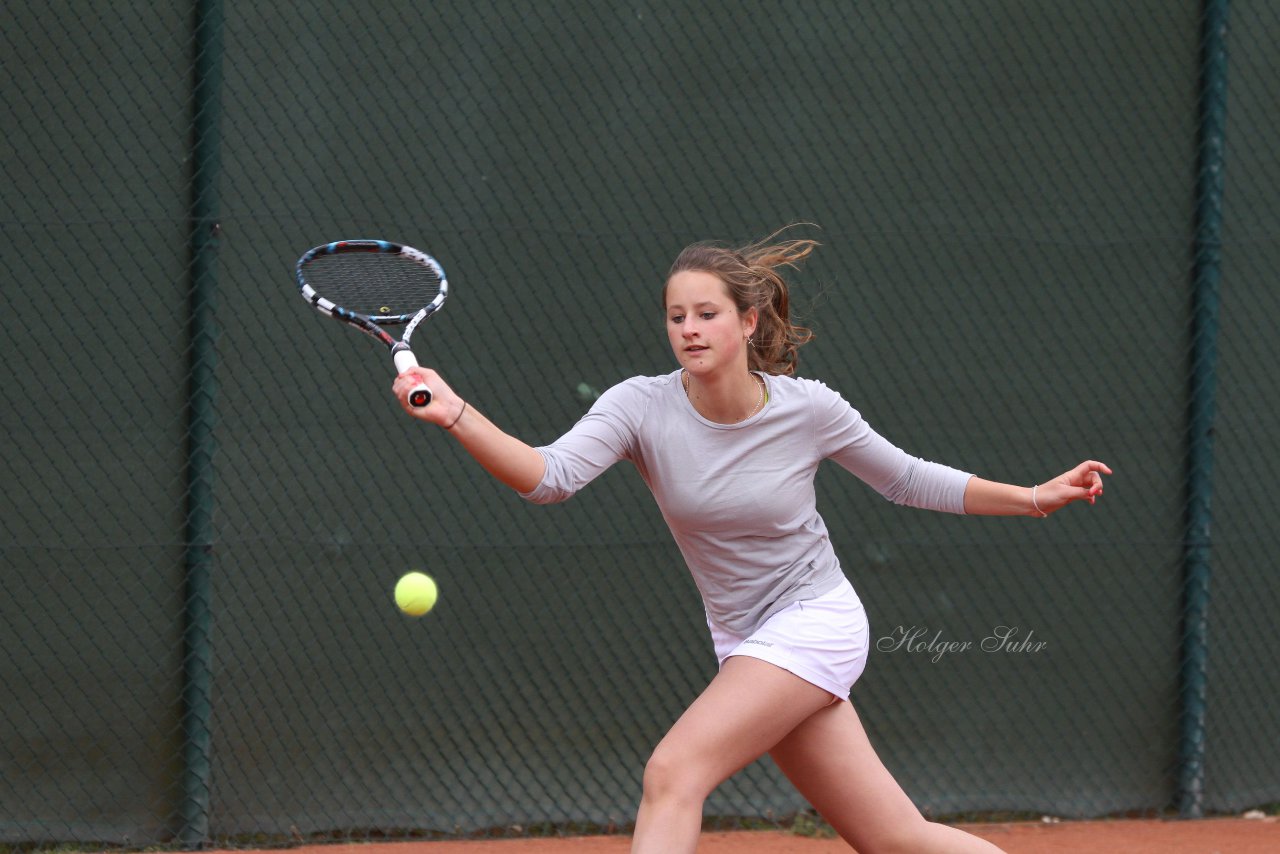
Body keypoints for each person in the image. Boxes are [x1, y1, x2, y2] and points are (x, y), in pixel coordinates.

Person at [392, 232, 1110, 854]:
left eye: (707, 314)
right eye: (677, 316)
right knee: (894, 839)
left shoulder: (810, 410)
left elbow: (909, 480)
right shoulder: (638, 406)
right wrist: (457, 414)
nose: (690, 329)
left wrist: (1035, 497)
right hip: (742, 637)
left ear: (747, 319)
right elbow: (550, 477)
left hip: (816, 621)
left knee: (673, 772)